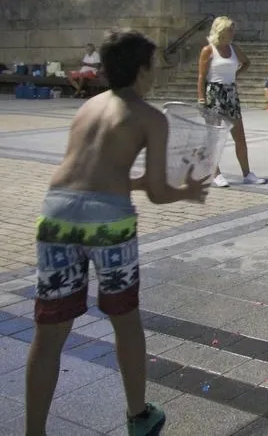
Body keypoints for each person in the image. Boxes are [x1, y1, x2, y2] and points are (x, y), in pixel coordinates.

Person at [26, 29, 210, 436]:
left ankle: (33, 431)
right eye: (154, 64)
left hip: (56, 214)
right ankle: (138, 415)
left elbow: (96, 176)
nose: (156, 72)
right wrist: (188, 190)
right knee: (124, 320)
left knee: (50, 331)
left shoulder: (88, 107)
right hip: (109, 223)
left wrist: (141, 182)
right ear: (142, 70)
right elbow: (161, 195)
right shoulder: (149, 116)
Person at [197, 16, 266, 187]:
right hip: (214, 92)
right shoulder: (208, 50)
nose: (233, 33)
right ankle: (216, 173)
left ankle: (247, 173)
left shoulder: (233, 48)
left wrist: (235, 75)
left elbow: (246, 63)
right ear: (221, 31)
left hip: (231, 93)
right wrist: (201, 99)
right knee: (215, 137)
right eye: (230, 30)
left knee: (239, 136)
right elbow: (201, 76)